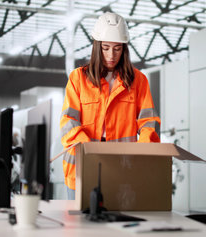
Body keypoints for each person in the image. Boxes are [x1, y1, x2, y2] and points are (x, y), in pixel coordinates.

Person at [60, 12, 160, 200]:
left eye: (117, 49)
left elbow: (149, 123)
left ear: (124, 49)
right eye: (105, 48)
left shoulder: (138, 81)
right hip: (82, 168)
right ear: (97, 47)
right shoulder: (78, 78)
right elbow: (68, 121)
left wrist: (144, 152)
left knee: (118, 226)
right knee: (80, 227)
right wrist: (89, 151)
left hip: (122, 169)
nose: (111, 55)